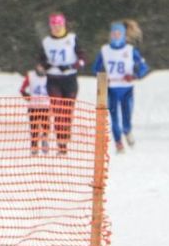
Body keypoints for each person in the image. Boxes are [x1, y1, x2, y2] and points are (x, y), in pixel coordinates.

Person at [92, 21, 149, 153]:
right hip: (111, 89)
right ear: (110, 35)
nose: (116, 36)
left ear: (124, 35)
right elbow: (96, 68)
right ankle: (118, 142)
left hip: (127, 88)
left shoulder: (130, 50)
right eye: (114, 33)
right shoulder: (104, 50)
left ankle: (127, 131)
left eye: (119, 34)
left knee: (127, 115)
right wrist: (103, 77)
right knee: (114, 118)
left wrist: (134, 75)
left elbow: (143, 67)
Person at [38, 12, 85, 155]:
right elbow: (41, 60)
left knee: (67, 112)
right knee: (58, 111)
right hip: (53, 80)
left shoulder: (72, 38)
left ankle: (65, 137)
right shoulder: (46, 41)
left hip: (70, 79)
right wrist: (42, 67)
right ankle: (61, 143)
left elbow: (82, 57)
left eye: (59, 25)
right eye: (53, 25)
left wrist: (72, 66)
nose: (56, 28)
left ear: (63, 25)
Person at [19, 64, 51, 155]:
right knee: (34, 128)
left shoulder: (50, 76)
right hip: (33, 106)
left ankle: (45, 140)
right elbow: (22, 89)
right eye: (39, 66)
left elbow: (54, 88)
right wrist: (26, 96)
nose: (41, 68)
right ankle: (34, 146)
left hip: (46, 105)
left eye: (42, 66)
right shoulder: (31, 75)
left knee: (46, 127)